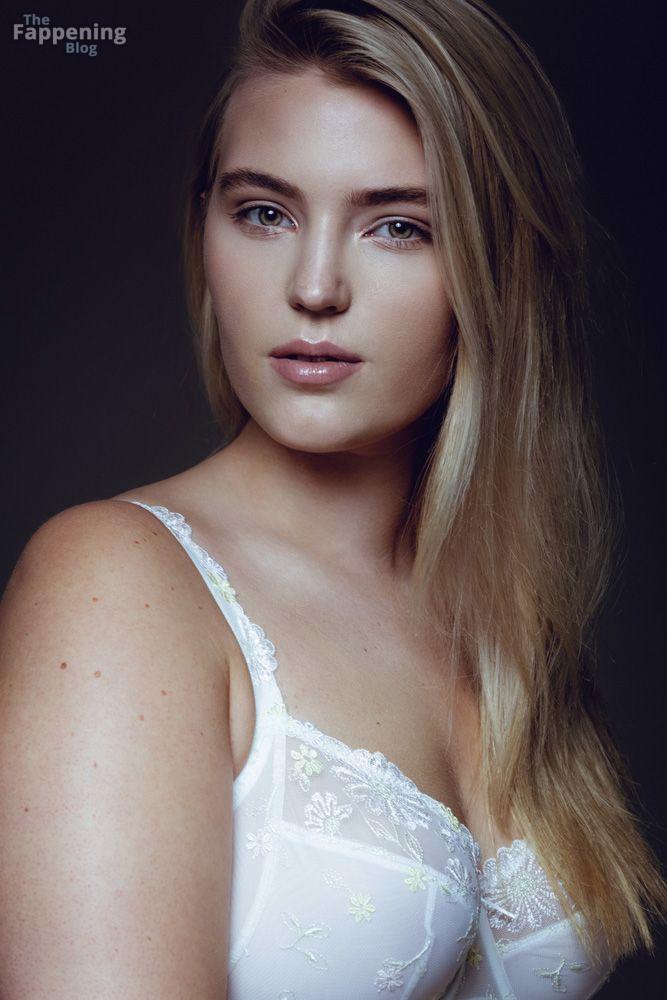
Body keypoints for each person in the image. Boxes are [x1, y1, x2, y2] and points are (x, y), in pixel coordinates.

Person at [0, 0, 664, 996]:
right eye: (264, 212)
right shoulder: (115, 583)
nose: (314, 287)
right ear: (204, 229)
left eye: (398, 226)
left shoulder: (506, 616)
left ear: (497, 265)